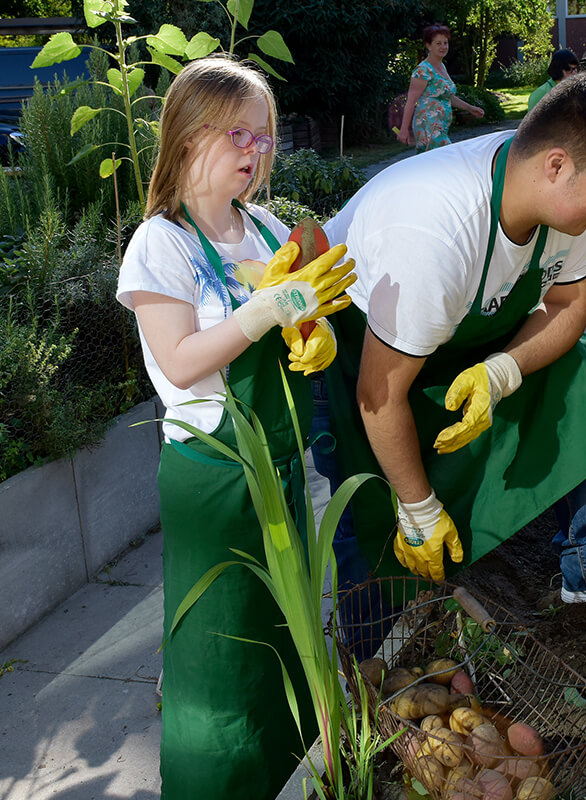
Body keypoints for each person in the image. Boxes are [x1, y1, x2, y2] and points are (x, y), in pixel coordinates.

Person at [319, 72, 586, 627]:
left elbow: (568, 307)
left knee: (573, 366)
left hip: (452, 339)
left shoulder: (564, 203)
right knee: (376, 525)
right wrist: (418, 510)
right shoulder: (435, 233)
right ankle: (368, 667)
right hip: (366, 362)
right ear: (557, 165)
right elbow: (378, 394)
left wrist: (501, 371)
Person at [115, 56, 356, 800]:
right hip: (213, 477)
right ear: (188, 138)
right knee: (217, 658)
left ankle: (278, 775)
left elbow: (298, 326)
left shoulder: (266, 228)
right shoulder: (163, 244)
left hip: (279, 467)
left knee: (281, 637)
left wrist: (311, 337)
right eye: (237, 135)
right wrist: (260, 314)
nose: (256, 153)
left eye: (265, 137)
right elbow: (182, 364)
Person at [397, 23, 485, 151]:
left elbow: (447, 96)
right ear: (428, 45)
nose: (443, 47)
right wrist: (404, 129)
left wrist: (470, 108)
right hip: (428, 126)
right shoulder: (423, 70)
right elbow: (410, 101)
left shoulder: (441, 67)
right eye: (438, 43)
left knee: (432, 166)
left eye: (445, 43)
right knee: (448, 159)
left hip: (440, 126)